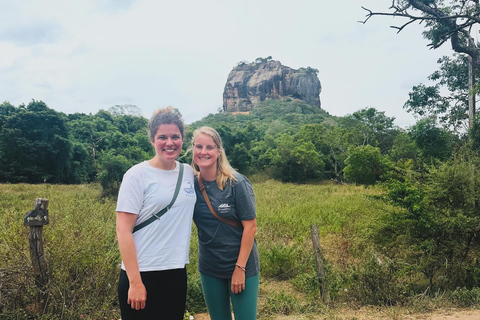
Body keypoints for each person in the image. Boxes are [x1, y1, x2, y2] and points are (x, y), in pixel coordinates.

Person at [116, 107, 196, 320]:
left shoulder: (188, 172)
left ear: (182, 139)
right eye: (162, 137)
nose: (169, 143)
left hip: (176, 271)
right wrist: (135, 282)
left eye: (175, 137)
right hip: (142, 273)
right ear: (152, 140)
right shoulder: (137, 175)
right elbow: (123, 231)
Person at [190, 126, 259, 320]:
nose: (204, 152)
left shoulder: (236, 183)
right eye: (199, 146)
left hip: (241, 265)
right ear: (193, 149)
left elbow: (250, 226)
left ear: (219, 151)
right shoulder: (190, 184)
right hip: (210, 267)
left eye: (209, 147)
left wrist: (239, 269)